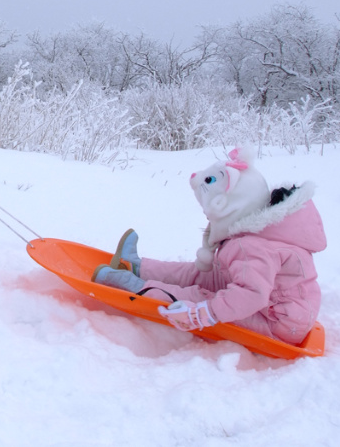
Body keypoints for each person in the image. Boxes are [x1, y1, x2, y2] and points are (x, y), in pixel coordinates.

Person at [92, 147, 326, 344]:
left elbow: (251, 294)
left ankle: (134, 286)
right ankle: (138, 267)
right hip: (271, 302)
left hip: (278, 321)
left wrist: (204, 313)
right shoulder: (259, 234)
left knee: (197, 295)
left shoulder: (253, 247)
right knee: (199, 274)